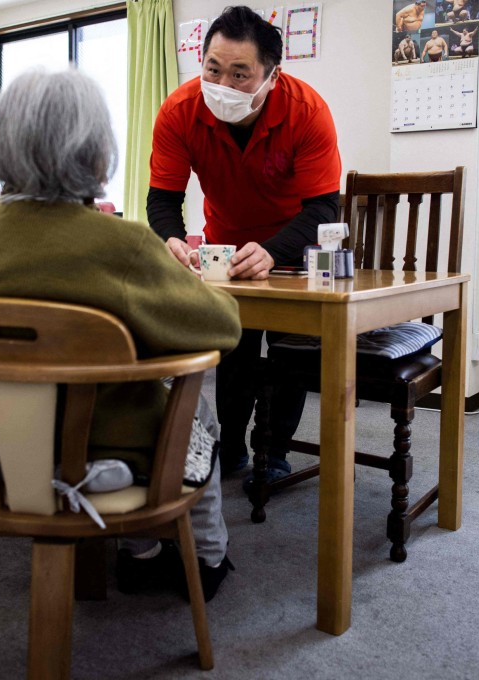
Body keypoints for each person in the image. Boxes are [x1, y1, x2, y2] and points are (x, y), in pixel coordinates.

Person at [0, 68, 243, 602]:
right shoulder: (122, 246)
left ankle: (143, 553)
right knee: (199, 398)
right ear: (97, 155)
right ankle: (191, 557)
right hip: (108, 459)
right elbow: (224, 328)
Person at [146, 5, 342, 488]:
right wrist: (171, 239)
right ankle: (229, 444)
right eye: (213, 68)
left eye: (241, 74)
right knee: (231, 348)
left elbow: (322, 208)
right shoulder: (178, 110)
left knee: (288, 349)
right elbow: (163, 199)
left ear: (272, 75)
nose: (223, 85)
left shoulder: (307, 110)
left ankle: (274, 450)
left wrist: (274, 251)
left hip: (291, 243)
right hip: (225, 243)